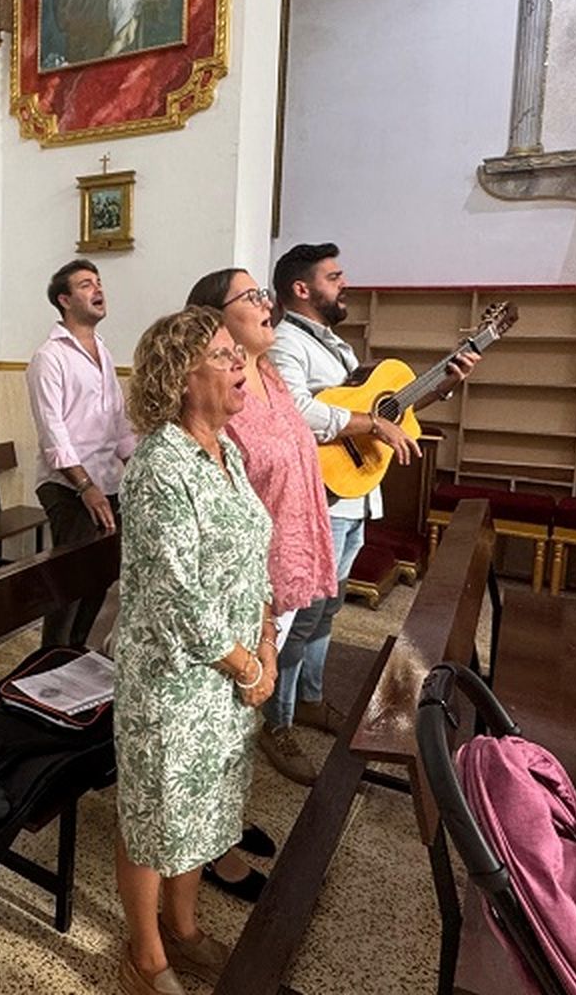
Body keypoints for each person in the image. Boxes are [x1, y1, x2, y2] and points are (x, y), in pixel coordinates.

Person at [265, 243, 474, 785]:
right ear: (301, 288)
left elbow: (384, 407)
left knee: (328, 611)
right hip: (320, 497)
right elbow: (297, 412)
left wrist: (441, 385)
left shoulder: (334, 344)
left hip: (357, 492)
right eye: (334, 277)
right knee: (302, 614)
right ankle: (277, 723)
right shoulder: (286, 343)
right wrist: (372, 425)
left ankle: (309, 698)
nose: (345, 284)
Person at [113, 305, 277, 995]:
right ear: (182, 377)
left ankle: (185, 929)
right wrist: (247, 666)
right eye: (222, 354)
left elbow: (253, 557)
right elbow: (178, 599)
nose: (242, 362)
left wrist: (266, 640)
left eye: (237, 352)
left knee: (204, 809)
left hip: (230, 677)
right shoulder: (158, 467)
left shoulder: (227, 451)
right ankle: (144, 955)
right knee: (155, 816)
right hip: (175, 681)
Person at [188, 265, 335, 826]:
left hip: (289, 559)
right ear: (215, 320)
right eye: (250, 296)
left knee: (248, 701)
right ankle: (208, 824)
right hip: (247, 578)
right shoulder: (217, 398)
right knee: (228, 699)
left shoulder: (270, 375)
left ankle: (224, 816)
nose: (265, 301)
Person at [26, 258, 136, 647]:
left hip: (106, 479)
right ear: (64, 300)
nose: (98, 289)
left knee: (103, 573)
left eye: (99, 282)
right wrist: (85, 485)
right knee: (71, 579)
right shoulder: (49, 356)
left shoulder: (103, 351)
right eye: (86, 284)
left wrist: (138, 468)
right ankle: (51, 657)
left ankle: (76, 651)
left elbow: (119, 423)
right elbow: (52, 433)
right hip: (67, 485)